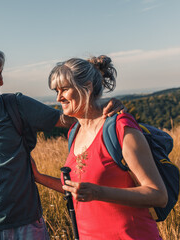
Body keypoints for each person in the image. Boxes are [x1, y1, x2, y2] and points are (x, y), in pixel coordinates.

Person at [0, 44, 124, 240]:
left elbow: (65, 119)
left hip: (27, 221)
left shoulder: (17, 105)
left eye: (0, 73)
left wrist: (104, 107)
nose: (1, 81)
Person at [31, 55, 167, 239]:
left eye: (64, 89)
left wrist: (98, 192)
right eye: (56, 90)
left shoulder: (120, 128)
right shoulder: (74, 132)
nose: (58, 97)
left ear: (87, 87)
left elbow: (158, 195)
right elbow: (79, 190)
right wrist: (38, 177)